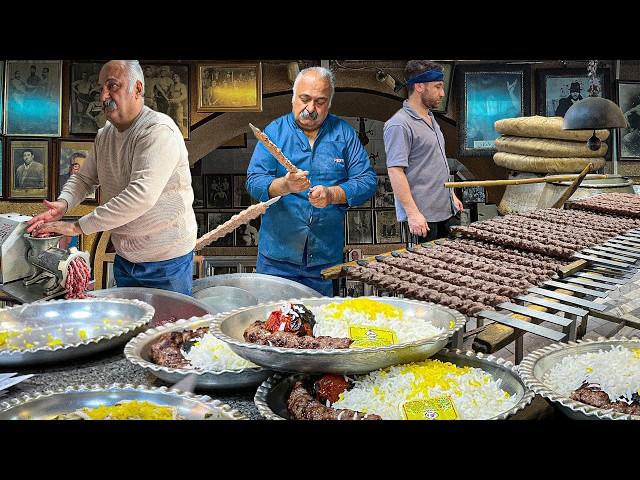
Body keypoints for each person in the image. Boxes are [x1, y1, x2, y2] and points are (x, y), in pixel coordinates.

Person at [27, 60, 198, 295]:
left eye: (112, 86)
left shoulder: (158, 131)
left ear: (138, 88)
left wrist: (77, 227)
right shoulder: (104, 135)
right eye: (101, 88)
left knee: (170, 330)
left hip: (167, 261)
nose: (103, 96)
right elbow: (84, 178)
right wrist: (63, 203)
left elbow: (141, 196)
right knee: (135, 329)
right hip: (126, 256)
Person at [246, 66, 377, 296]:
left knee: (320, 326)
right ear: (293, 98)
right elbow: (254, 181)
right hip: (277, 257)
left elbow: (367, 181)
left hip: (324, 257)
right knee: (271, 324)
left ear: (330, 103)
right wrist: (284, 186)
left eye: (320, 102)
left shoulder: (344, 134)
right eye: (304, 99)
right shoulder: (274, 132)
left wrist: (332, 195)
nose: (310, 108)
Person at [383, 60, 464, 245]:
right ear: (419, 86)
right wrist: (412, 214)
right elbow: (395, 171)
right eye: (437, 87)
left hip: (445, 211)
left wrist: (450, 194)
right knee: (426, 271)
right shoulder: (399, 124)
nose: (442, 93)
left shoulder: (431, 119)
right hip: (423, 218)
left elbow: (433, 164)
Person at [167, 72, 188, 136]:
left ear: (179, 78)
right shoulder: (172, 86)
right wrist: (168, 99)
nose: (175, 78)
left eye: (176, 77)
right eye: (173, 77)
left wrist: (176, 100)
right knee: (170, 122)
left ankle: (183, 137)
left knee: (179, 122)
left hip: (178, 106)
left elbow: (184, 95)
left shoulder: (182, 86)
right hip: (171, 107)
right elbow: (170, 95)